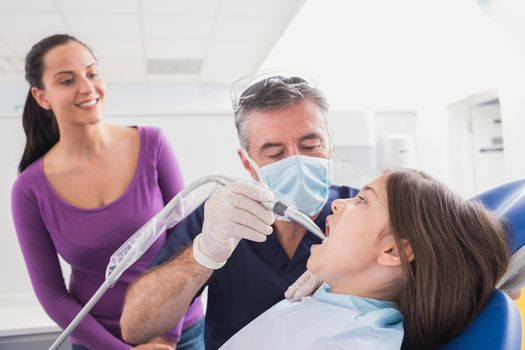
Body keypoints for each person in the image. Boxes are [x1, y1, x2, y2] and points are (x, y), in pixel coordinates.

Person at [120, 75, 359, 348]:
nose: (296, 162)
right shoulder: (222, 216)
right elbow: (135, 327)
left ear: (331, 147)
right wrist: (204, 253)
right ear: (247, 163)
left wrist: (352, 271)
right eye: (275, 153)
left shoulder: (362, 213)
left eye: (310, 146)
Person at [10, 34, 203, 350]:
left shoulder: (152, 145)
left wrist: (165, 337)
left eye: (92, 73)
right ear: (41, 97)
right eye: (67, 80)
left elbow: (186, 245)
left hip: (180, 334)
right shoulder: (29, 190)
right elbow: (51, 293)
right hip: (98, 341)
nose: (86, 87)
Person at [220, 169, 511, 349]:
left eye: (362, 200)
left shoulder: (349, 343)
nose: (337, 202)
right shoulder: (337, 300)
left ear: (393, 251)